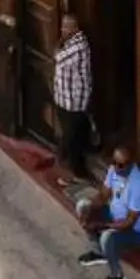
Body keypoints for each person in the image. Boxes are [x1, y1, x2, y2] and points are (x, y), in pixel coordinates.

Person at [77, 145, 140, 279]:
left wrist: (102, 225)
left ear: (131, 164)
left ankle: (116, 275)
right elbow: (103, 196)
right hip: (114, 215)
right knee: (82, 205)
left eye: (121, 165)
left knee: (107, 236)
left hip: (135, 233)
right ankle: (100, 252)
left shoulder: (138, 184)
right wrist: (90, 208)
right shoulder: (113, 170)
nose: (116, 168)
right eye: (114, 162)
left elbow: (129, 222)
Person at [52, 22, 94, 178]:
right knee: (75, 132)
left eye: (67, 26)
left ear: (76, 28)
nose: (63, 29)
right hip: (65, 98)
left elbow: (57, 56)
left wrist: (59, 45)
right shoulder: (70, 42)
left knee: (73, 137)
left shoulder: (78, 46)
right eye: (62, 26)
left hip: (73, 102)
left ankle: (78, 171)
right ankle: (69, 155)